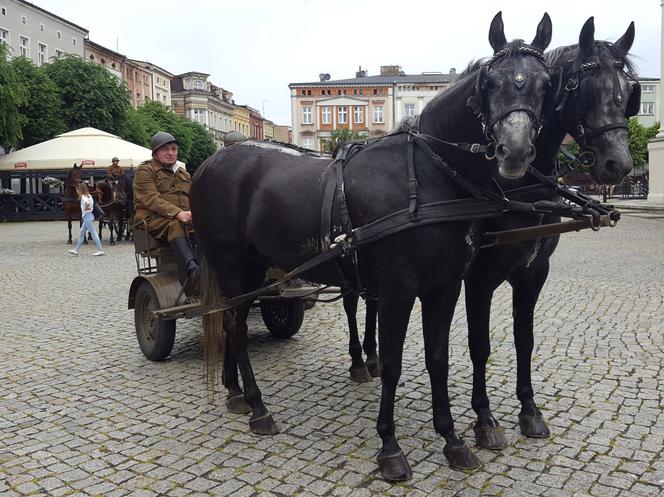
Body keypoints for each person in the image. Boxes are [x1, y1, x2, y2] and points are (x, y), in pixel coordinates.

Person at [133, 131, 199, 294]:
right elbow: (150, 199)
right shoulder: (145, 171)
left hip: (184, 218)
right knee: (176, 224)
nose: (170, 153)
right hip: (153, 219)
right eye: (165, 149)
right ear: (155, 153)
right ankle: (193, 271)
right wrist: (178, 213)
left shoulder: (184, 173)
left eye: (174, 149)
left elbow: (194, 197)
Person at [68, 183, 105, 256]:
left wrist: (86, 207)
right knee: (82, 233)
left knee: (93, 233)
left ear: (79, 190)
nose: (76, 191)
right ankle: (76, 250)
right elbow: (90, 202)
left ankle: (100, 250)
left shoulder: (83, 197)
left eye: (77, 190)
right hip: (88, 217)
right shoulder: (89, 196)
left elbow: (87, 203)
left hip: (87, 217)